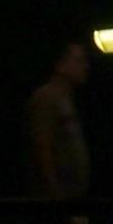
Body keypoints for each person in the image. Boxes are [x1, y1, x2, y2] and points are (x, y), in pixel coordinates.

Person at [26, 39, 92, 208]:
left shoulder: (67, 100)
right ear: (61, 65)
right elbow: (42, 147)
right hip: (56, 200)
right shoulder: (46, 98)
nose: (85, 67)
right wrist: (55, 195)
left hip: (72, 196)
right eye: (79, 61)